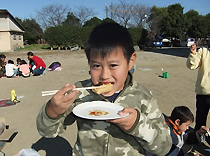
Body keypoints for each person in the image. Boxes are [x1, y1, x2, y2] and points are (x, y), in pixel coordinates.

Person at [36, 22, 172, 156]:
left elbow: (163, 148)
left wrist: (137, 125)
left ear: (130, 62)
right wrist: (52, 111)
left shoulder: (144, 97)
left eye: (113, 65)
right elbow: (47, 132)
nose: (104, 76)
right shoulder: (80, 92)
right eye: (96, 66)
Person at [186, 43, 210, 131]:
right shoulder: (204, 51)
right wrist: (193, 54)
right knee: (200, 119)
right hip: (204, 92)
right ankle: (197, 139)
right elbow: (192, 65)